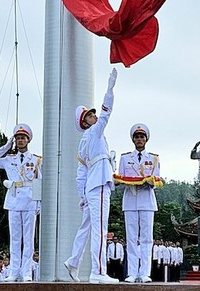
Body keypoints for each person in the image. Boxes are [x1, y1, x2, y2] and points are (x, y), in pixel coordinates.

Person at [64, 68, 120, 284]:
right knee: (100, 228)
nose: (95, 116)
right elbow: (107, 113)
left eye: (92, 113)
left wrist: (83, 197)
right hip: (99, 185)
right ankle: (97, 272)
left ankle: (73, 261)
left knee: (86, 226)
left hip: (91, 187)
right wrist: (110, 89)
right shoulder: (94, 132)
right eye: (90, 115)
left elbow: (80, 174)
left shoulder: (85, 141)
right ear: (85, 122)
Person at [0, 123, 42, 282]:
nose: (20, 141)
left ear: (28, 140)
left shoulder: (36, 160)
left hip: (30, 201)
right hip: (14, 199)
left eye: (22, 138)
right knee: (15, 238)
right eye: (17, 138)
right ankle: (14, 272)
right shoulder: (9, 159)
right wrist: (6, 145)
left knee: (28, 239)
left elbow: (39, 182)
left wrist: (39, 204)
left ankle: (26, 272)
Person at [116, 123, 162, 283]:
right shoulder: (125, 158)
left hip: (147, 201)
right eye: (137, 137)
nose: (139, 139)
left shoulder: (154, 158)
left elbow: (156, 179)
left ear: (146, 139)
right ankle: (131, 273)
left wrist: (148, 182)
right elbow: (120, 177)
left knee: (146, 239)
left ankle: (145, 273)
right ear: (133, 140)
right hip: (130, 200)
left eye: (142, 137)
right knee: (131, 238)